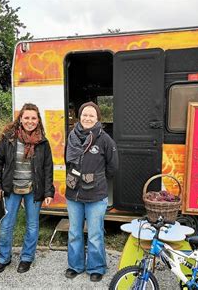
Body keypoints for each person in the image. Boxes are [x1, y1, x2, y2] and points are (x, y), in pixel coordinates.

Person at [0, 103, 54, 274]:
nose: (30, 121)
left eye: (33, 118)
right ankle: (4, 258)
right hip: (11, 189)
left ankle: (26, 258)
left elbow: (48, 167)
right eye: (27, 117)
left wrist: (49, 191)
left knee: (32, 226)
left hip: (33, 190)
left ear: (38, 120)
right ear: (21, 118)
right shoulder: (9, 138)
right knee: (6, 226)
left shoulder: (42, 142)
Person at [64, 101, 118, 282]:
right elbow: (67, 163)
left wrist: (96, 179)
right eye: (84, 115)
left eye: (91, 115)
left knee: (95, 233)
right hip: (73, 194)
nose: (87, 118)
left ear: (97, 119)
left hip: (95, 195)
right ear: (80, 117)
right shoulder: (71, 136)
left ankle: (96, 267)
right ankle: (75, 266)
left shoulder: (104, 140)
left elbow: (113, 166)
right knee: (74, 233)